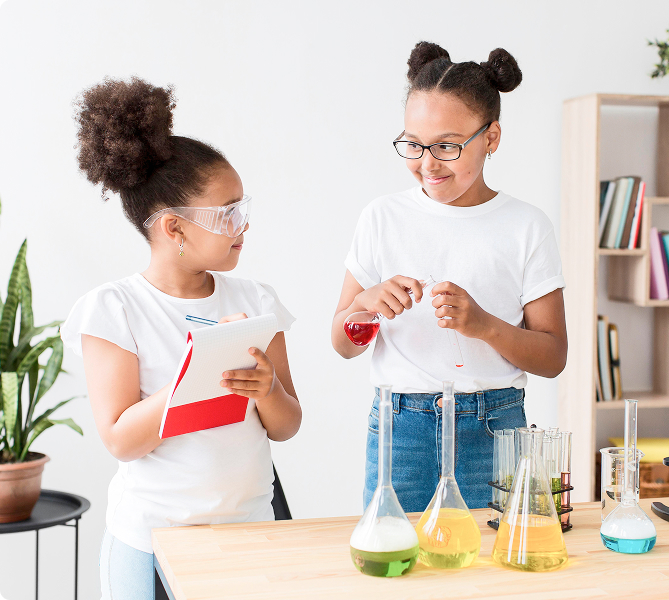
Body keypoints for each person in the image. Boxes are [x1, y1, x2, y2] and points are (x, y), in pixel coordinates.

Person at [61, 77, 302, 600]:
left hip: (251, 533)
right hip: (153, 546)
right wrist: (190, 381)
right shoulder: (115, 309)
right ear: (174, 229)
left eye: (243, 207)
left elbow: (287, 426)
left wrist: (268, 392)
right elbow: (122, 439)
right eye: (226, 213)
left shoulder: (258, 300)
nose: (243, 225)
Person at [331, 42, 567, 513]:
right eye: (414, 144)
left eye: (447, 145)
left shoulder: (526, 226)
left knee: (494, 571)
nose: (428, 162)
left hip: (495, 427)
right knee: (397, 564)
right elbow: (341, 341)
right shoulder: (382, 217)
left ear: (491, 137)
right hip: (402, 430)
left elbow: (553, 356)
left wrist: (483, 325)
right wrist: (371, 303)